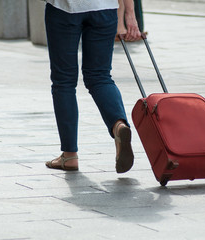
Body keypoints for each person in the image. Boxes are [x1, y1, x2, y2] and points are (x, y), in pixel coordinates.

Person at [44, 0, 141, 173]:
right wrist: (130, 14)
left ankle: (70, 155)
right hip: (104, 9)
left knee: (64, 81)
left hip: (64, 8)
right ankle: (118, 125)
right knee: (100, 76)